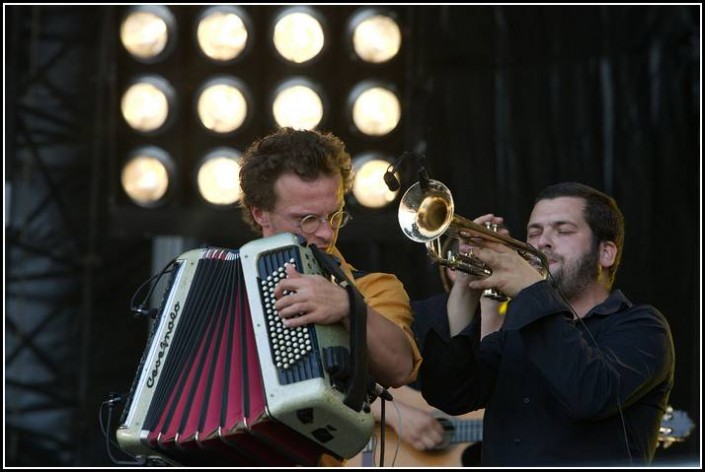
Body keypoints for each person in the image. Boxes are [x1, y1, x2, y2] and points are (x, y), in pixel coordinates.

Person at [418, 182, 675, 467]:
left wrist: (531, 290)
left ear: (606, 253)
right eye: (534, 232)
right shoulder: (515, 330)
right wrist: (466, 288)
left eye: (563, 231)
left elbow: (590, 393)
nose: (543, 242)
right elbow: (451, 394)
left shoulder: (645, 327)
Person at [237, 126, 422, 395]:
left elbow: (400, 368)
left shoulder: (374, 288)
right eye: (307, 220)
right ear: (261, 214)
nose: (326, 232)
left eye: (335, 216)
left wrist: (349, 306)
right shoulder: (226, 281)